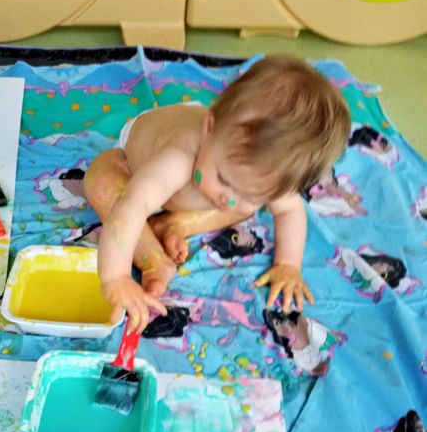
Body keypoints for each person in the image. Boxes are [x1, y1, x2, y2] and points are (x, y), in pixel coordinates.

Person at [84, 55, 351, 331]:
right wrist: (115, 276)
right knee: (101, 182)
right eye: (224, 179)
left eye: (252, 194)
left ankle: (176, 224)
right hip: (135, 165)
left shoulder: (258, 175)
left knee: (243, 207)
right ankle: (154, 259)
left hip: (197, 185)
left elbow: (291, 210)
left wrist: (288, 265)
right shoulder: (178, 159)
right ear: (209, 130)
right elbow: (132, 205)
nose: (230, 199)